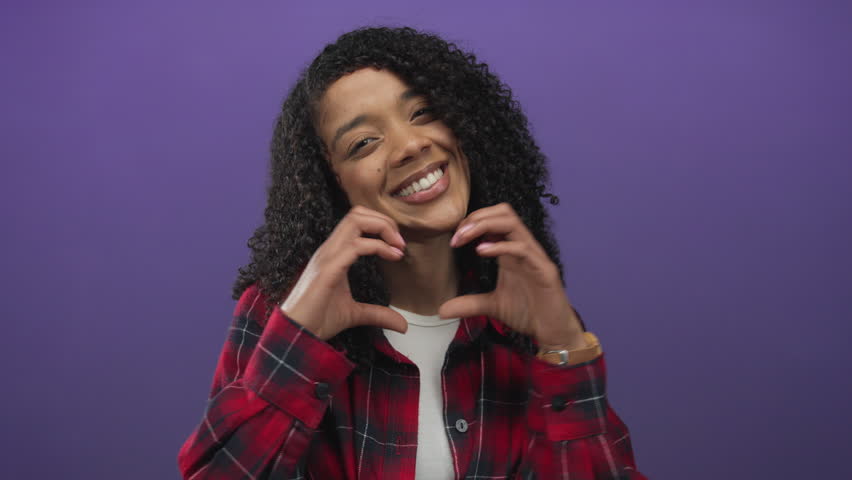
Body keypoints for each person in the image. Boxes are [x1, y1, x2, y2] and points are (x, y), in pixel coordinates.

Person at [178, 26, 648, 479]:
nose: (409, 145)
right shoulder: (275, 314)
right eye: (363, 143)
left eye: (423, 113)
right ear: (332, 183)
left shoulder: (528, 323)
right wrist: (299, 337)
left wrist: (563, 344)